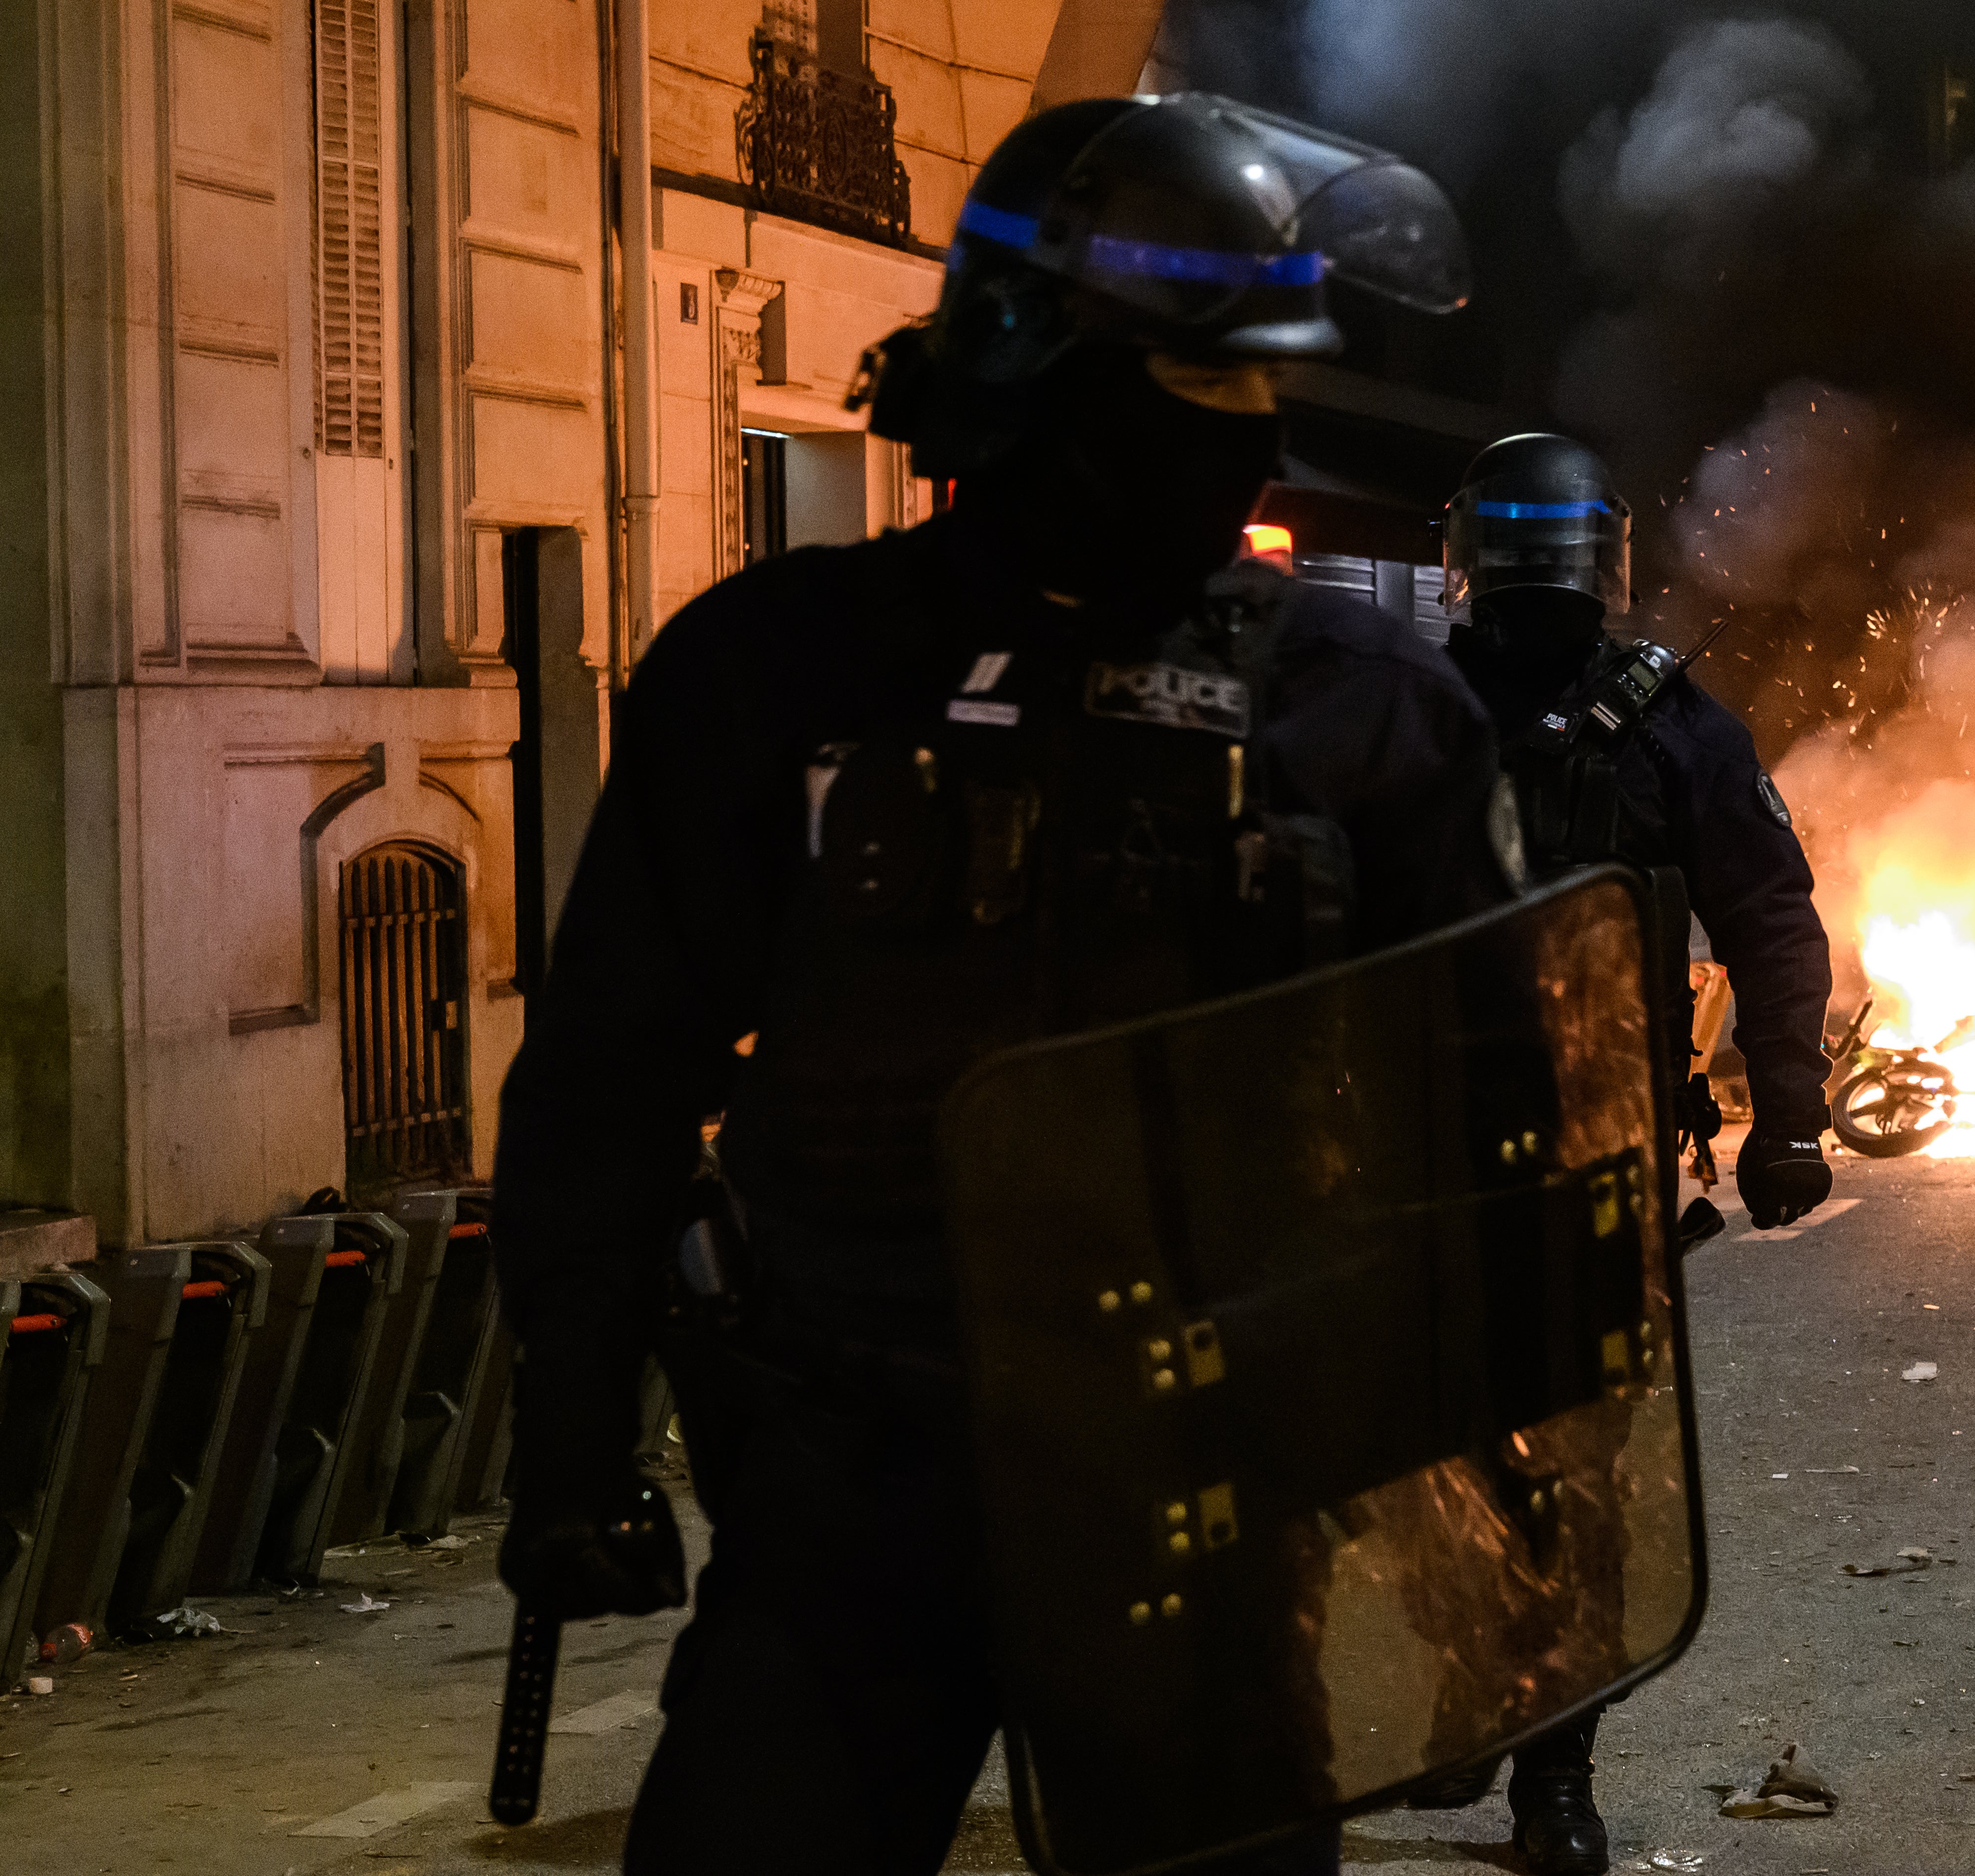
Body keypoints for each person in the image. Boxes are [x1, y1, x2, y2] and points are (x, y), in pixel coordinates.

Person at [487, 94, 1508, 1876]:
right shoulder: (780, 668)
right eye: (1198, 393)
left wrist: (1491, 1506)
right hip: (845, 1477)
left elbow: (1495, 1115)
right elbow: (609, 1078)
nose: (1243, 446)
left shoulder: (1365, 709)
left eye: (1260, 397)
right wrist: (569, 1440)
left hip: (1209, 1483)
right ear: (1042, 369)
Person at [1410, 432, 1835, 1876]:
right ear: (1608, 560)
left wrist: (1792, 1113)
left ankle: (1533, 1750)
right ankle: (1528, 1753)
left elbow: (1771, 920)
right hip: (1535, 1151)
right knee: (1546, 1456)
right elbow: (1777, 924)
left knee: (1471, 1445)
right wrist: (1785, 1120)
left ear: (1466, 552)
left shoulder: (1405, 705)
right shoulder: (1674, 726)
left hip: (1455, 1151)